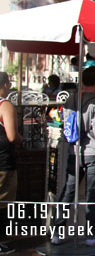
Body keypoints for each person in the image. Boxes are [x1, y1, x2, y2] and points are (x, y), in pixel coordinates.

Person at [52, 66, 95, 246]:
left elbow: (68, 126)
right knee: (92, 194)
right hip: (92, 152)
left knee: (68, 192)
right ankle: (92, 234)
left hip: (74, 151)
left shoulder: (71, 100)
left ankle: (57, 231)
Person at [0, 72, 22, 255]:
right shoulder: (5, 105)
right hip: (2, 161)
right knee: (2, 202)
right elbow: (12, 136)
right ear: (5, 85)